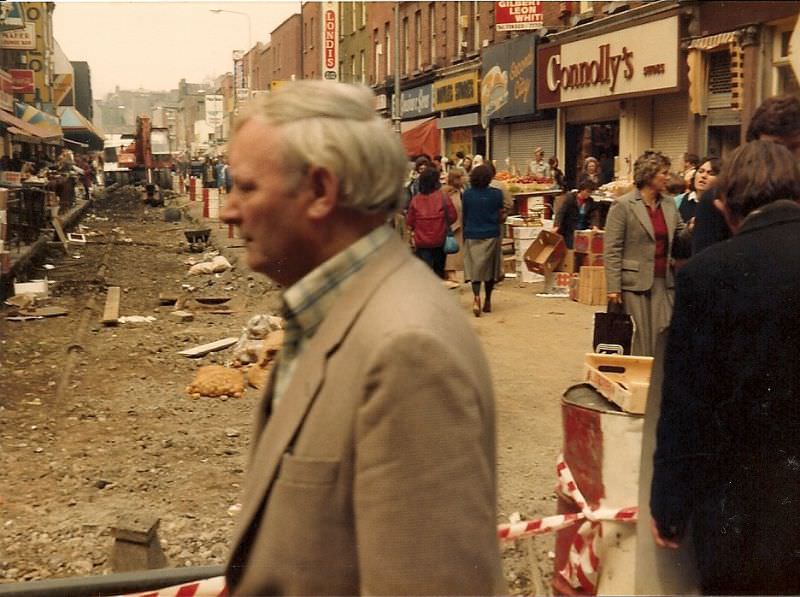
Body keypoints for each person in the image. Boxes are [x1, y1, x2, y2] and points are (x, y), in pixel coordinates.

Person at [219, 81, 503, 596]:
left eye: (246, 187)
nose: (227, 211)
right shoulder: (332, 315)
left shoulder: (407, 351)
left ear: (322, 192)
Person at [651, 140, 800, 594]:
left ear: (725, 205)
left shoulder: (707, 275)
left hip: (742, 511)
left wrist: (669, 505)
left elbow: (684, 405)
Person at [603, 150, 688, 357]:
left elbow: (680, 235)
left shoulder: (669, 204)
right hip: (633, 284)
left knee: (663, 331)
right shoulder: (623, 206)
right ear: (649, 175)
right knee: (639, 336)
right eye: (664, 173)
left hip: (663, 280)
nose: (668, 177)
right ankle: (640, 381)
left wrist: (694, 227)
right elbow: (612, 248)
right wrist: (613, 287)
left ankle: (657, 378)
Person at [692, 94, 800, 255]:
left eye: (795, 147)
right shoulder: (721, 198)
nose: (785, 158)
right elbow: (705, 271)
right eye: (775, 148)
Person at [462, 164, 505, 317]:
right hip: (491, 234)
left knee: (475, 270)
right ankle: (488, 299)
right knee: (490, 270)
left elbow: (465, 215)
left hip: (472, 234)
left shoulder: (466, 195)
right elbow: (501, 212)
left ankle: (476, 297)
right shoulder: (497, 194)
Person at [405, 167, 457, 279]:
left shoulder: (416, 200)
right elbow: (452, 216)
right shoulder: (443, 197)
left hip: (421, 242)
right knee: (439, 270)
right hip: (440, 239)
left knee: (424, 273)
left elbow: (410, 221)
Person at [553, 179, 601, 250]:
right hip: (569, 229)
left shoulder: (590, 201)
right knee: (570, 248)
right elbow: (561, 212)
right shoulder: (570, 198)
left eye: (590, 192)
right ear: (581, 190)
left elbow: (594, 214)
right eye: (587, 192)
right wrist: (556, 226)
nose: (589, 194)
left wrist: (595, 225)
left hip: (582, 230)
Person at [674, 157, 719, 224]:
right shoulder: (678, 201)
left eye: (711, 173)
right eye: (700, 171)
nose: (703, 176)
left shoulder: (721, 205)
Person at [443, 166, 467, 284]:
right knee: (451, 248)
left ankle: (453, 272)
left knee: (457, 249)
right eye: (462, 176)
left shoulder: (462, 190)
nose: (464, 178)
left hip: (460, 223)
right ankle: (450, 273)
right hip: (452, 225)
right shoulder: (448, 191)